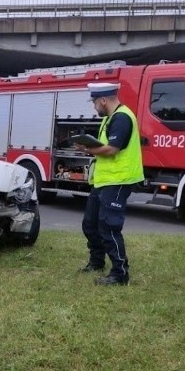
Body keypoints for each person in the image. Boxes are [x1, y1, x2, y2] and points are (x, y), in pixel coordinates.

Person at [75, 82, 144, 285]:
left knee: (109, 227)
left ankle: (120, 274)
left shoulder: (122, 118)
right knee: (90, 224)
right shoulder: (110, 118)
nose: (94, 107)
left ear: (103, 100)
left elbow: (112, 149)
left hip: (119, 180)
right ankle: (96, 262)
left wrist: (86, 150)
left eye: (94, 102)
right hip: (104, 181)